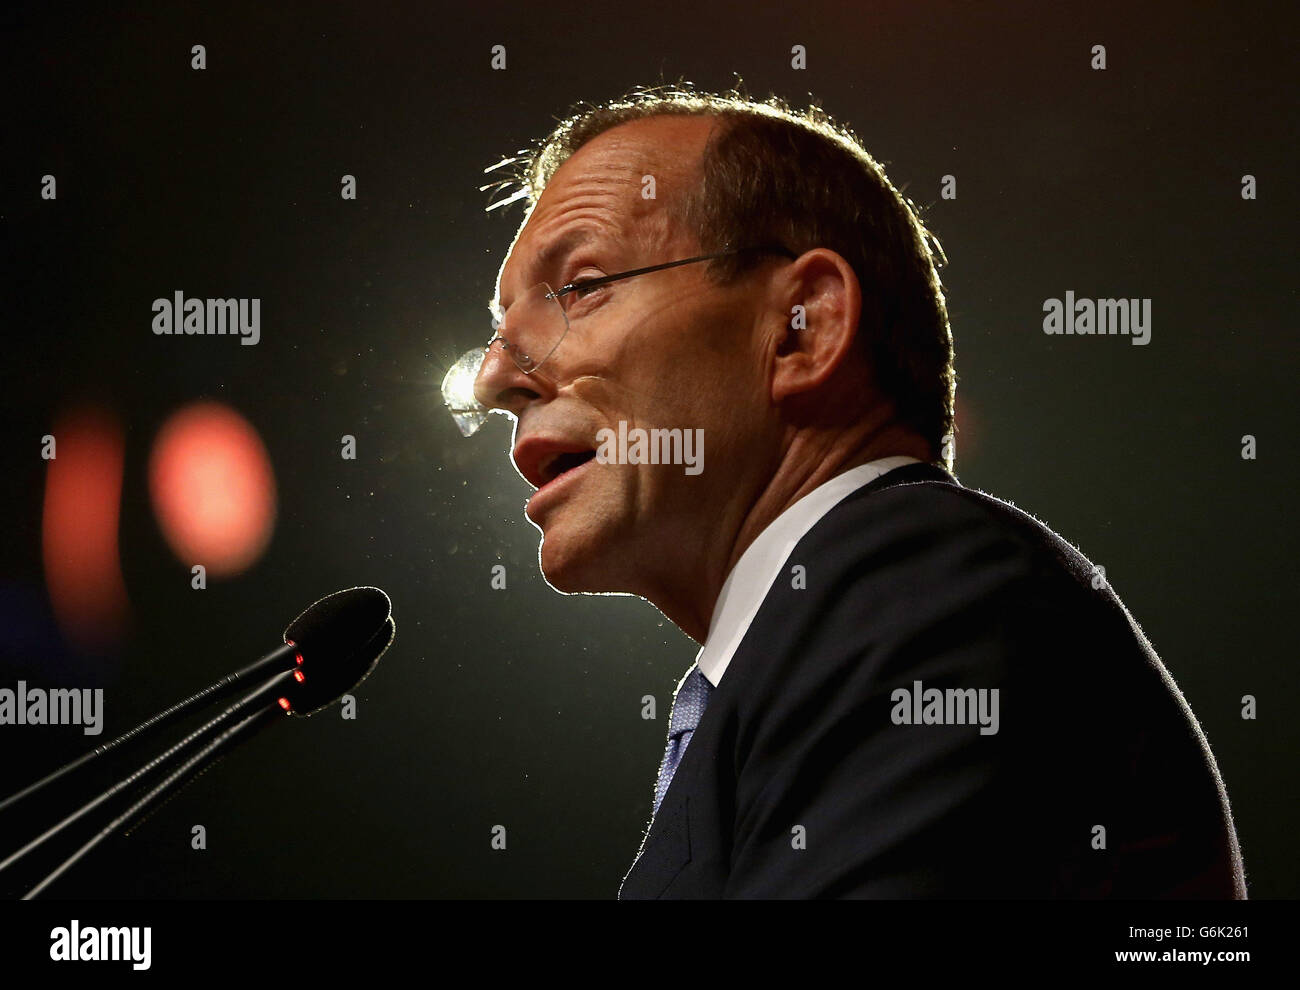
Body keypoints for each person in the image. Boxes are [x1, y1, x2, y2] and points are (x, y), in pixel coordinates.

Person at [448, 85, 1247, 898]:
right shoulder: (818, 638)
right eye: (499, 331)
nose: (494, 379)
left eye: (578, 288)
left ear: (803, 327)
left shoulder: (927, 592)